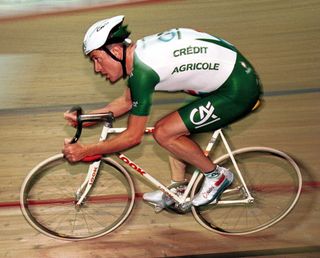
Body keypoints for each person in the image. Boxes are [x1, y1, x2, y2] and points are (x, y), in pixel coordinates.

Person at [62, 15, 262, 208]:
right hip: (227, 75)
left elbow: (133, 137)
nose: (97, 68)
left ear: (115, 50)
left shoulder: (144, 72)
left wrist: (87, 150)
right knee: (174, 127)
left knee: (164, 131)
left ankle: (216, 176)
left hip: (237, 90)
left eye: (97, 59)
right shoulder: (140, 54)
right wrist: (87, 119)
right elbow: (126, 101)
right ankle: (179, 188)